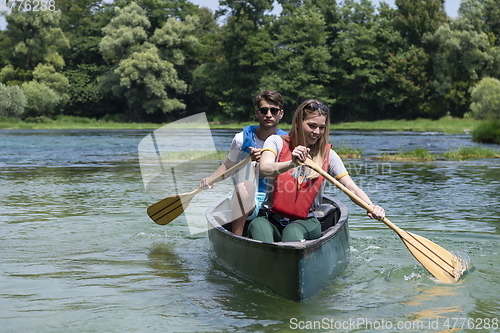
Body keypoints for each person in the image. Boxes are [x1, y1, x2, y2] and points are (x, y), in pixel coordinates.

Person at [248, 99, 385, 242]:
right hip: (270, 218)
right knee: (257, 225)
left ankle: (289, 258)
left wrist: (371, 206)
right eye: (312, 126)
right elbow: (265, 170)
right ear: (298, 123)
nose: (317, 132)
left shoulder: (329, 155)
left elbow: (351, 187)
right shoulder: (276, 142)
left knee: (292, 232)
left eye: (321, 127)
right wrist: (292, 163)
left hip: (306, 221)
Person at [199, 90, 287, 236]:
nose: (269, 114)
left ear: (281, 114)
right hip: (246, 196)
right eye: (264, 110)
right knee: (244, 186)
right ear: (257, 113)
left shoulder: (287, 141)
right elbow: (228, 165)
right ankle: (237, 238)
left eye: (274, 110)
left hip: (275, 196)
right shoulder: (241, 139)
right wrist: (211, 179)